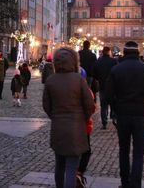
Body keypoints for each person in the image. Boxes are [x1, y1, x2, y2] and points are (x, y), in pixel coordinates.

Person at [106, 41, 144, 188]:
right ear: (138, 53)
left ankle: (125, 183)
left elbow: (108, 95)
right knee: (138, 152)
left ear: (124, 53)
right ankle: (135, 184)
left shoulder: (116, 69)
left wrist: (115, 108)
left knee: (123, 150)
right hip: (141, 115)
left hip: (122, 114)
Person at [43, 47, 95, 188]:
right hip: (76, 127)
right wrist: (83, 118)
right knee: (72, 166)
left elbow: (46, 106)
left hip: (58, 127)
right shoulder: (79, 80)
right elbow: (90, 104)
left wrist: (55, 116)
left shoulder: (51, 80)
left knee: (59, 164)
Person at [76, 66, 95, 188]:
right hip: (84, 126)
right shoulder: (87, 90)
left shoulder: (58, 84)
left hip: (65, 126)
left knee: (66, 154)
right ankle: (78, 173)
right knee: (86, 151)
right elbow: (91, 108)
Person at [93, 46, 117, 129]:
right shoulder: (114, 61)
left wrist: (99, 79)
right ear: (109, 52)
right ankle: (114, 117)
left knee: (103, 105)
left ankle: (104, 122)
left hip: (102, 85)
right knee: (113, 103)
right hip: (113, 86)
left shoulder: (98, 61)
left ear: (102, 52)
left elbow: (94, 74)